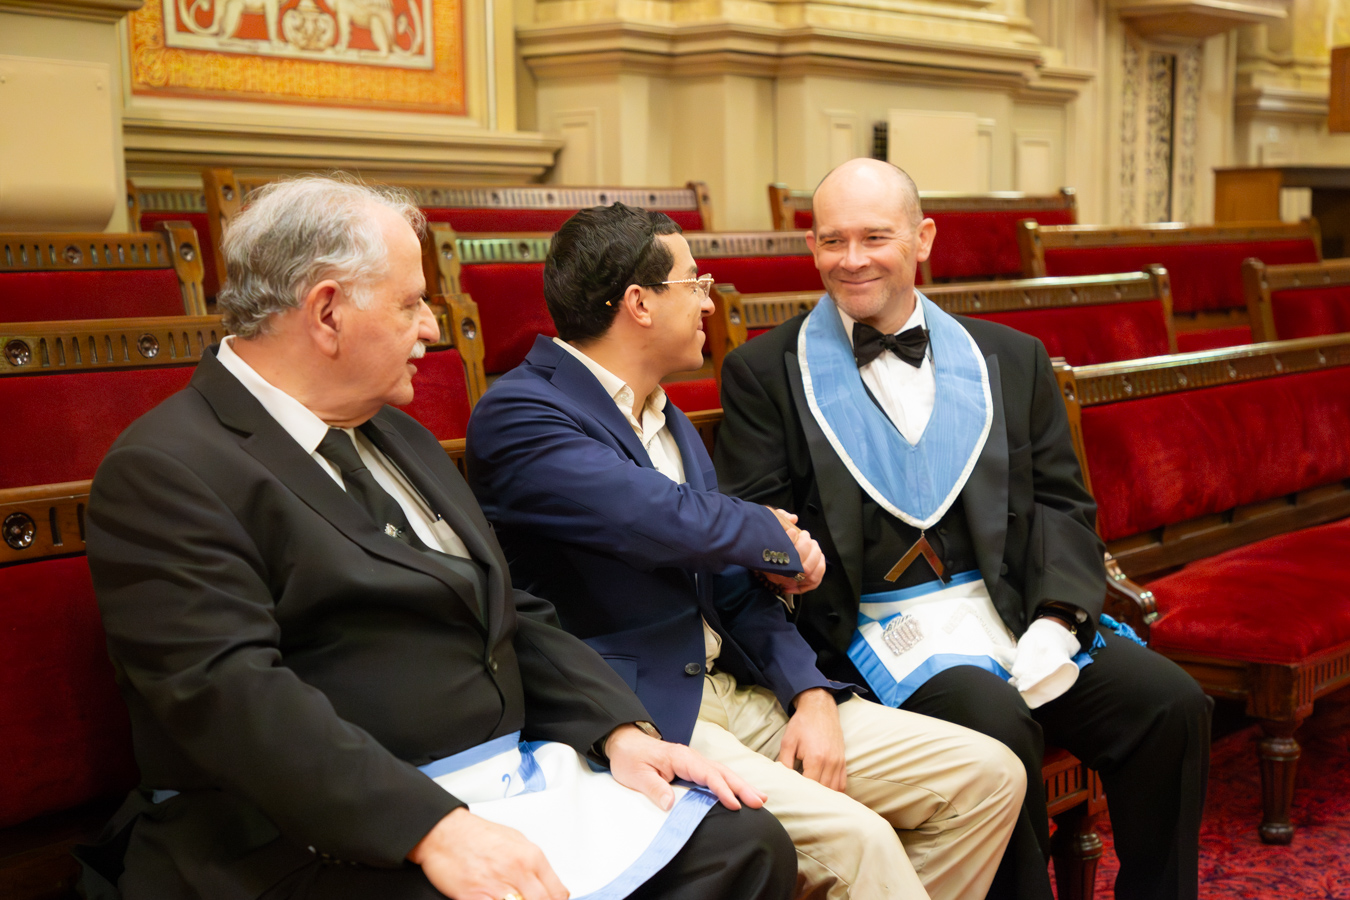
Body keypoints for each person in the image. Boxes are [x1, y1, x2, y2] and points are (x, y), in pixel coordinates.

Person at [78, 176, 799, 900]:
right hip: (311, 827)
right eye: (410, 303)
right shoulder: (168, 469)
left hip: (501, 779)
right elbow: (232, 702)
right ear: (327, 312)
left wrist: (618, 730)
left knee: (743, 845)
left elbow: (504, 608)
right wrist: (431, 827)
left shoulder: (397, 432)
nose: (432, 327)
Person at [465, 201, 1026, 900]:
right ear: (639, 303)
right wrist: (773, 534)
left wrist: (812, 694)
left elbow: (731, 582)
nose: (708, 300)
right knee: (862, 844)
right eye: (693, 284)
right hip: (648, 711)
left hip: (742, 690)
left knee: (986, 777)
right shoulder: (522, 412)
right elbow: (654, 517)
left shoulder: (665, 417)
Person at [713, 158, 1212, 900]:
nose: (850, 260)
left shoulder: (1009, 358)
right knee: (993, 725)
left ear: (924, 239)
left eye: (875, 237)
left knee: (1169, 705)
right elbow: (758, 539)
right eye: (831, 240)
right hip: (874, 630)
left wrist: (1057, 614)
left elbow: (1062, 505)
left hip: (1009, 609)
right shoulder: (765, 371)